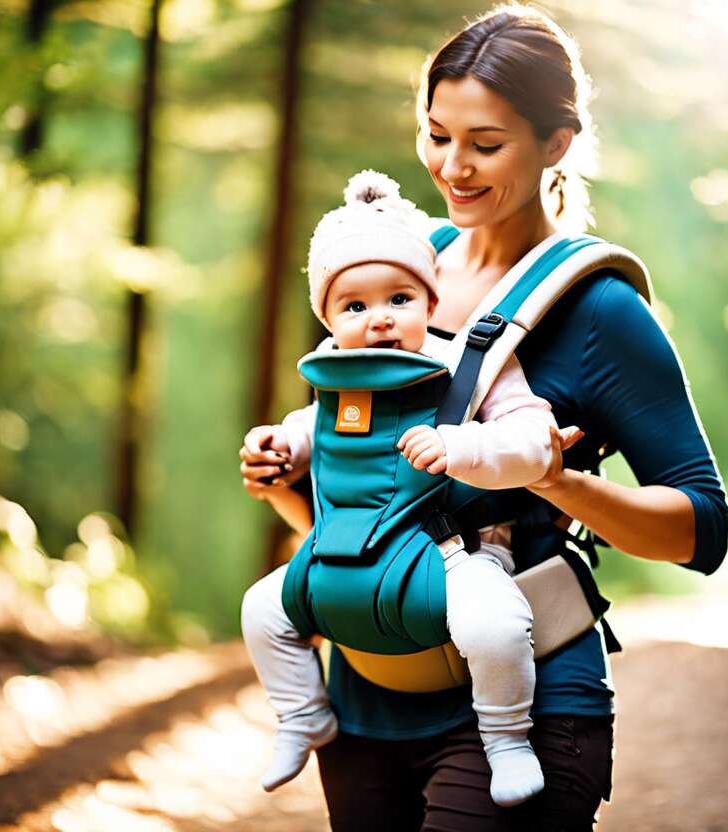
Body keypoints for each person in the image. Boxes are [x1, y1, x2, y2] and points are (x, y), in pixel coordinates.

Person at [240, 6, 728, 830]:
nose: (452, 167)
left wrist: (559, 482)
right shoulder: (394, 267)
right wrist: (288, 480)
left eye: (485, 144)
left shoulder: (599, 310)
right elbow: (359, 489)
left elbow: (702, 529)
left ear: (557, 144)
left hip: (527, 699)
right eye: (437, 136)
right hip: (365, 694)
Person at [241, 169, 561, 807]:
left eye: (399, 299)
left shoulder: (468, 370)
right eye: (355, 306)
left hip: (452, 553)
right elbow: (314, 430)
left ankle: (505, 737)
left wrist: (461, 447)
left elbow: (534, 441)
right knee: (262, 610)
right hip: (349, 555)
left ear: (432, 303)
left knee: (495, 624)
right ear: (328, 319)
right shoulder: (337, 381)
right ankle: (303, 714)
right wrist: (279, 445)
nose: (379, 320)